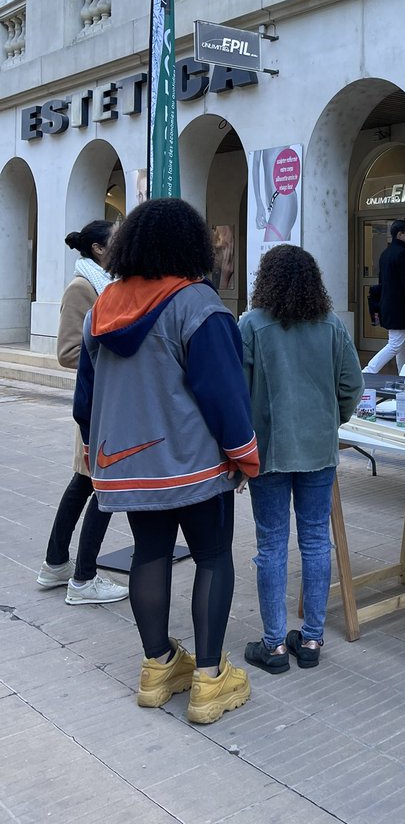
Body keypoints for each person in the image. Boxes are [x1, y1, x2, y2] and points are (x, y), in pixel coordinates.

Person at [73, 198, 260, 725]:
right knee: (213, 557)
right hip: (196, 464)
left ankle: (157, 669)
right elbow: (225, 393)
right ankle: (209, 680)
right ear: (190, 245)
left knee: (150, 555)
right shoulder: (198, 303)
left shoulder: (102, 307)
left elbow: (85, 399)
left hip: (129, 464)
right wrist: (245, 455)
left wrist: (97, 448)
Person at [240, 245, 364, 673]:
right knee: (315, 541)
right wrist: (332, 420)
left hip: (268, 452)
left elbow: (237, 391)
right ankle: (311, 638)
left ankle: (274, 644)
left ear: (265, 279)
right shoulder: (331, 324)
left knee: (271, 545)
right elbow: (352, 384)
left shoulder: (252, 324)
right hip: (318, 449)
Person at [36, 220, 129, 605]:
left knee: (84, 486)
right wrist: (121, 356)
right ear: (98, 249)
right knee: (103, 488)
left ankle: (56, 564)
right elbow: (67, 352)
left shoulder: (108, 284)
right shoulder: (82, 288)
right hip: (97, 406)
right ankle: (84, 577)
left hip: (106, 404)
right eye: (117, 238)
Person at [363, 219, 405, 374]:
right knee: (396, 344)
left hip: (389, 306)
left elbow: (383, 281)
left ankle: (403, 375)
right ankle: (368, 372)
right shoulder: (402, 254)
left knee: (402, 343)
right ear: (399, 235)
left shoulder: (386, 253)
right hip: (398, 308)